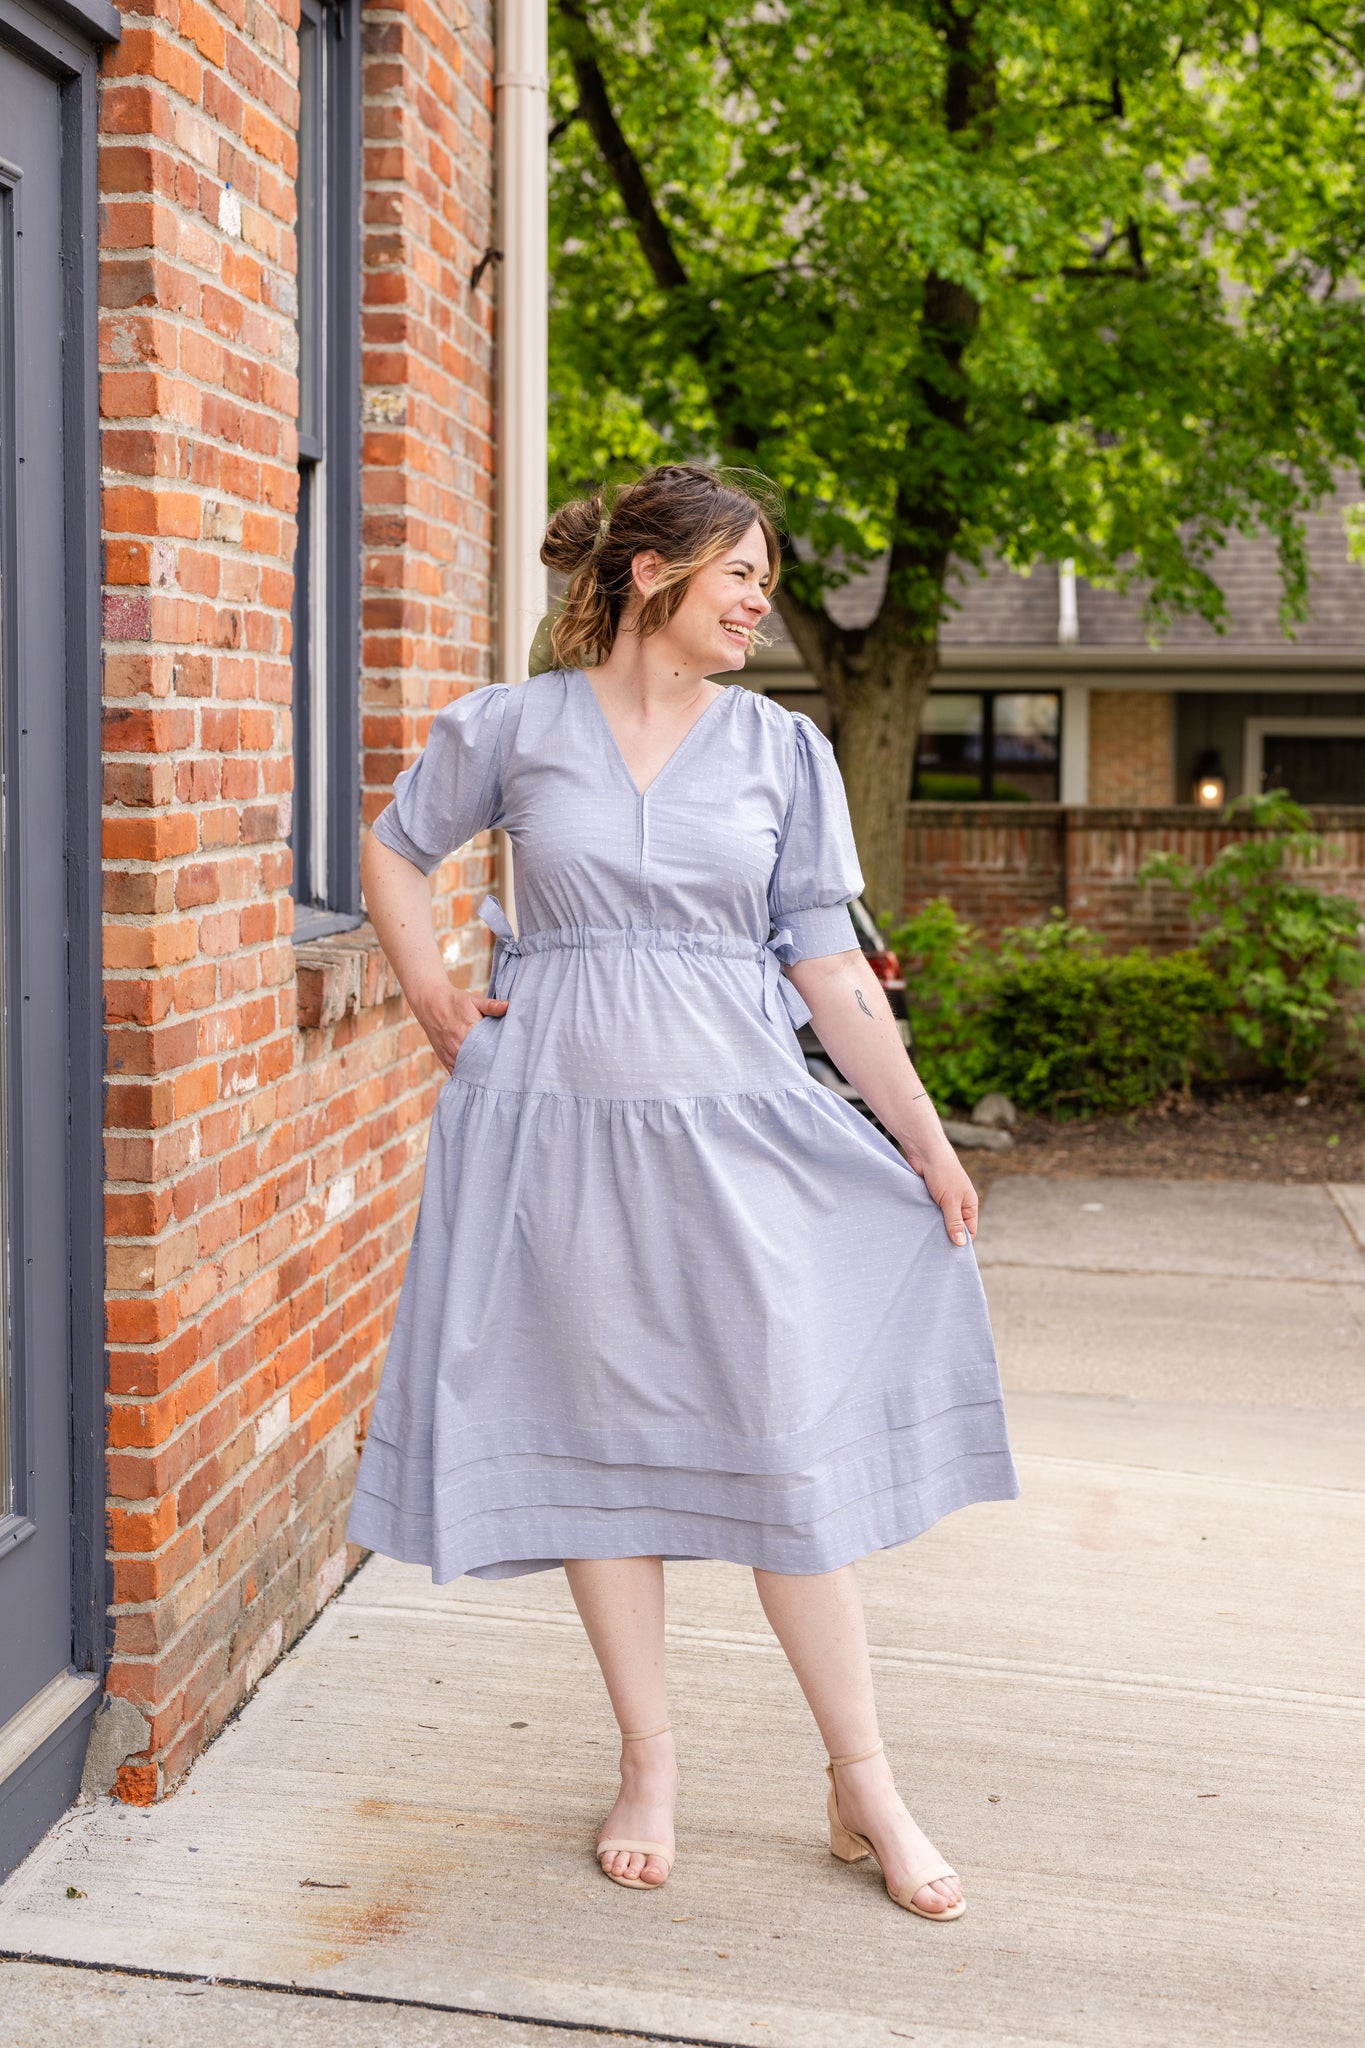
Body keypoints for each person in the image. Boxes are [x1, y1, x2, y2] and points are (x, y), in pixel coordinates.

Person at [347, 464, 1018, 1920]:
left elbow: (828, 966)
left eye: (766, 578)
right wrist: (430, 994)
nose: (761, 602)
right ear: (652, 574)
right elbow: (392, 851)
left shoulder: (781, 749)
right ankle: (648, 1764)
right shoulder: (513, 727)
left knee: (784, 1446)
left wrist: (922, 1136)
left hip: (737, 1133)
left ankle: (864, 1779)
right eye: (741, 574)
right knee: (601, 1452)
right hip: (551, 1133)